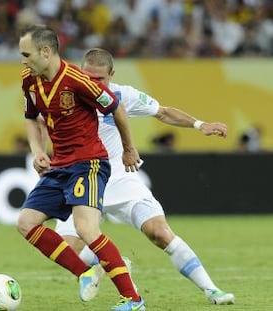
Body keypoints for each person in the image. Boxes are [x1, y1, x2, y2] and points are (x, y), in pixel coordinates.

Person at [55, 48, 235, 305]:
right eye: (88, 77)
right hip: (83, 181)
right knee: (66, 249)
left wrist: (199, 125)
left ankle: (211, 289)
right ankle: (112, 263)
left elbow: (162, 111)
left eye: (100, 80)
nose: (93, 85)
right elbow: (38, 119)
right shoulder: (68, 96)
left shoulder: (122, 95)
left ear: (112, 75)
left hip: (118, 179)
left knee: (159, 232)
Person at [16, 25, 146, 311]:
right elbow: (30, 116)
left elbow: (116, 108)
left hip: (88, 163)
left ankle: (134, 300)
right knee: (25, 223)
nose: (22, 60)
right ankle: (85, 273)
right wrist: (38, 151)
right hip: (59, 165)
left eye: (26, 54)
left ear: (46, 51)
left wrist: (128, 148)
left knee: (85, 228)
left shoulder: (78, 80)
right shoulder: (29, 79)